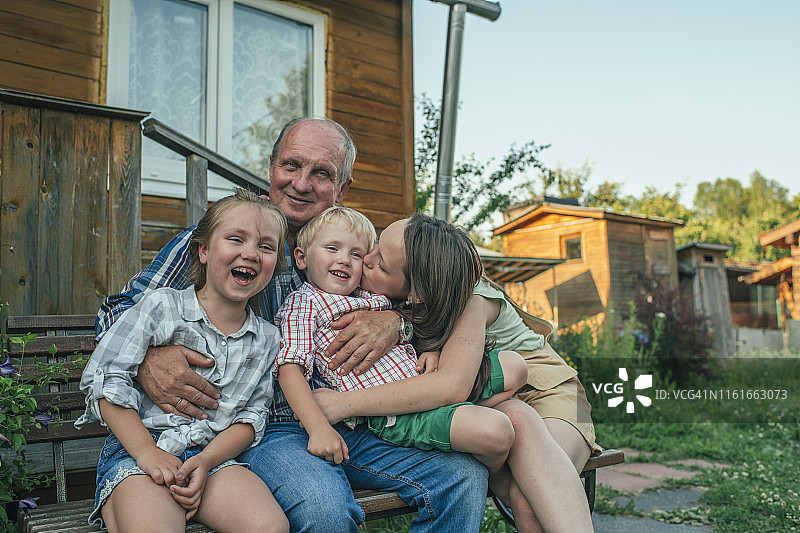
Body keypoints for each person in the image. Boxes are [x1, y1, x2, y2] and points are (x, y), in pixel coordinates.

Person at [95, 118, 489, 532]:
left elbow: (429, 294)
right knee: (325, 509)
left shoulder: (357, 245)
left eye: (321, 173)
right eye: (291, 166)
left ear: (343, 189)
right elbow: (119, 314)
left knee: (463, 477)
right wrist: (150, 358)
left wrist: (398, 322)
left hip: (361, 421)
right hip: (272, 430)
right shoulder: (227, 238)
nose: (301, 183)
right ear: (271, 169)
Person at [313, 214, 601, 533]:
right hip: (492, 396)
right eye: (376, 245)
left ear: (417, 293)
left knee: (527, 495)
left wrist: (345, 403)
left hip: (547, 388)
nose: (365, 258)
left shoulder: (470, 296)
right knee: (519, 462)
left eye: (380, 264)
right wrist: (400, 321)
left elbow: (451, 386)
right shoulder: (412, 271)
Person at [76, 189, 289, 533]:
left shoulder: (267, 339)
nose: (250, 253)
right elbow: (106, 380)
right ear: (203, 250)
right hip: (140, 450)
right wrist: (147, 453)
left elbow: (251, 418)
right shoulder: (162, 307)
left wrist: (206, 461)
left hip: (212, 459)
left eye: (266, 247)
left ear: (274, 265)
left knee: (270, 527)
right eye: (236, 239)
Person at [275, 206, 529, 482]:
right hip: (392, 415)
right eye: (332, 249)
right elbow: (290, 365)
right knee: (497, 430)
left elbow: (418, 320)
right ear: (301, 258)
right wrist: (318, 427)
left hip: (418, 382)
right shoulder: (306, 304)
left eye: (358, 253)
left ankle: (456, 426)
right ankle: (500, 479)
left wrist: (432, 349)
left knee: (516, 367)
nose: (352, 261)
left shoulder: (364, 290)